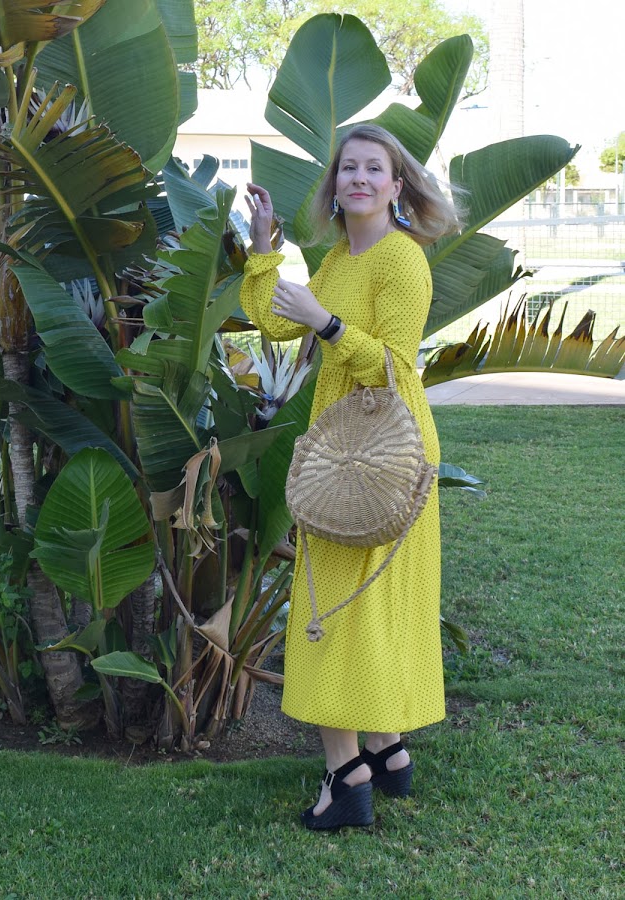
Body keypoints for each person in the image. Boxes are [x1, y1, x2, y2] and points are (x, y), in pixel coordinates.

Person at [241, 124, 462, 831]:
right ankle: (388, 752)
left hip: (383, 453)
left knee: (332, 605)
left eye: (375, 169)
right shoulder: (338, 257)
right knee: (361, 597)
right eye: (349, 169)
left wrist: (329, 325)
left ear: (397, 186)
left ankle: (345, 777)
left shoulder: (403, 261)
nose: (359, 178)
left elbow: (396, 368)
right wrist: (265, 248)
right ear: (335, 185)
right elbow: (271, 323)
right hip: (347, 447)